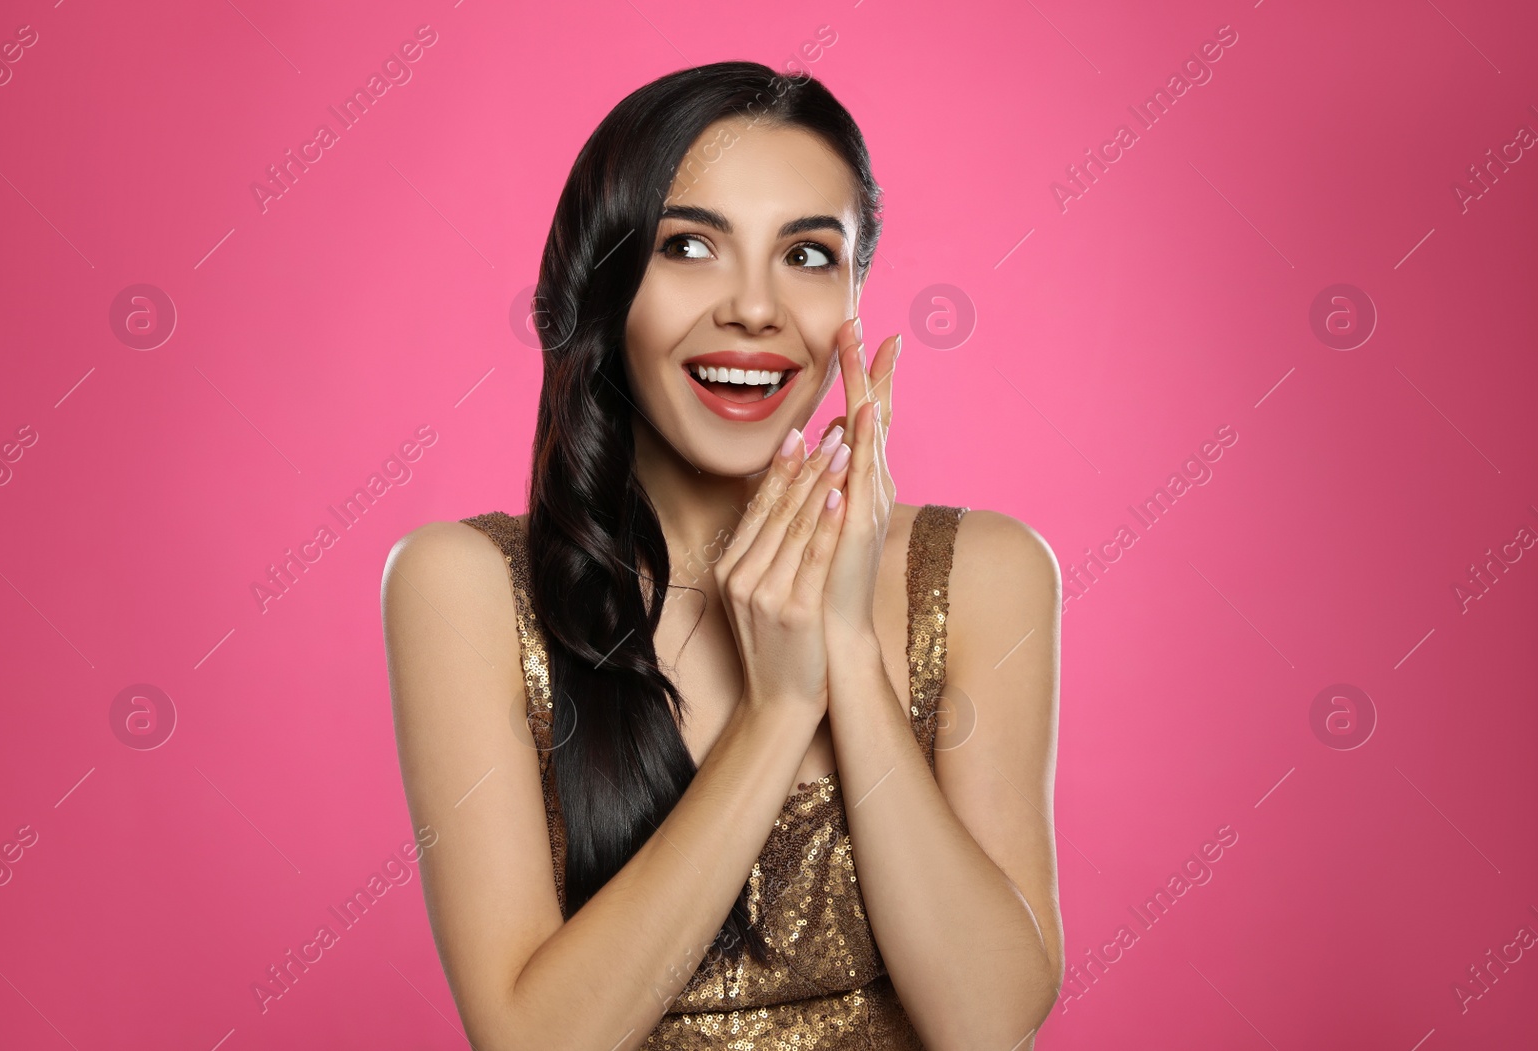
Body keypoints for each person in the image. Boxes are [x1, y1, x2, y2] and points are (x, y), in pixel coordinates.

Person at [381, 60, 1063, 1049]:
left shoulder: (983, 574)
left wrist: (846, 655)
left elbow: (989, 1022)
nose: (753, 307)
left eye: (808, 255)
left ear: (854, 294)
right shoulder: (466, 587)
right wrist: (780, 707)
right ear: (607, 282)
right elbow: (533, 1039)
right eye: (690, 245)